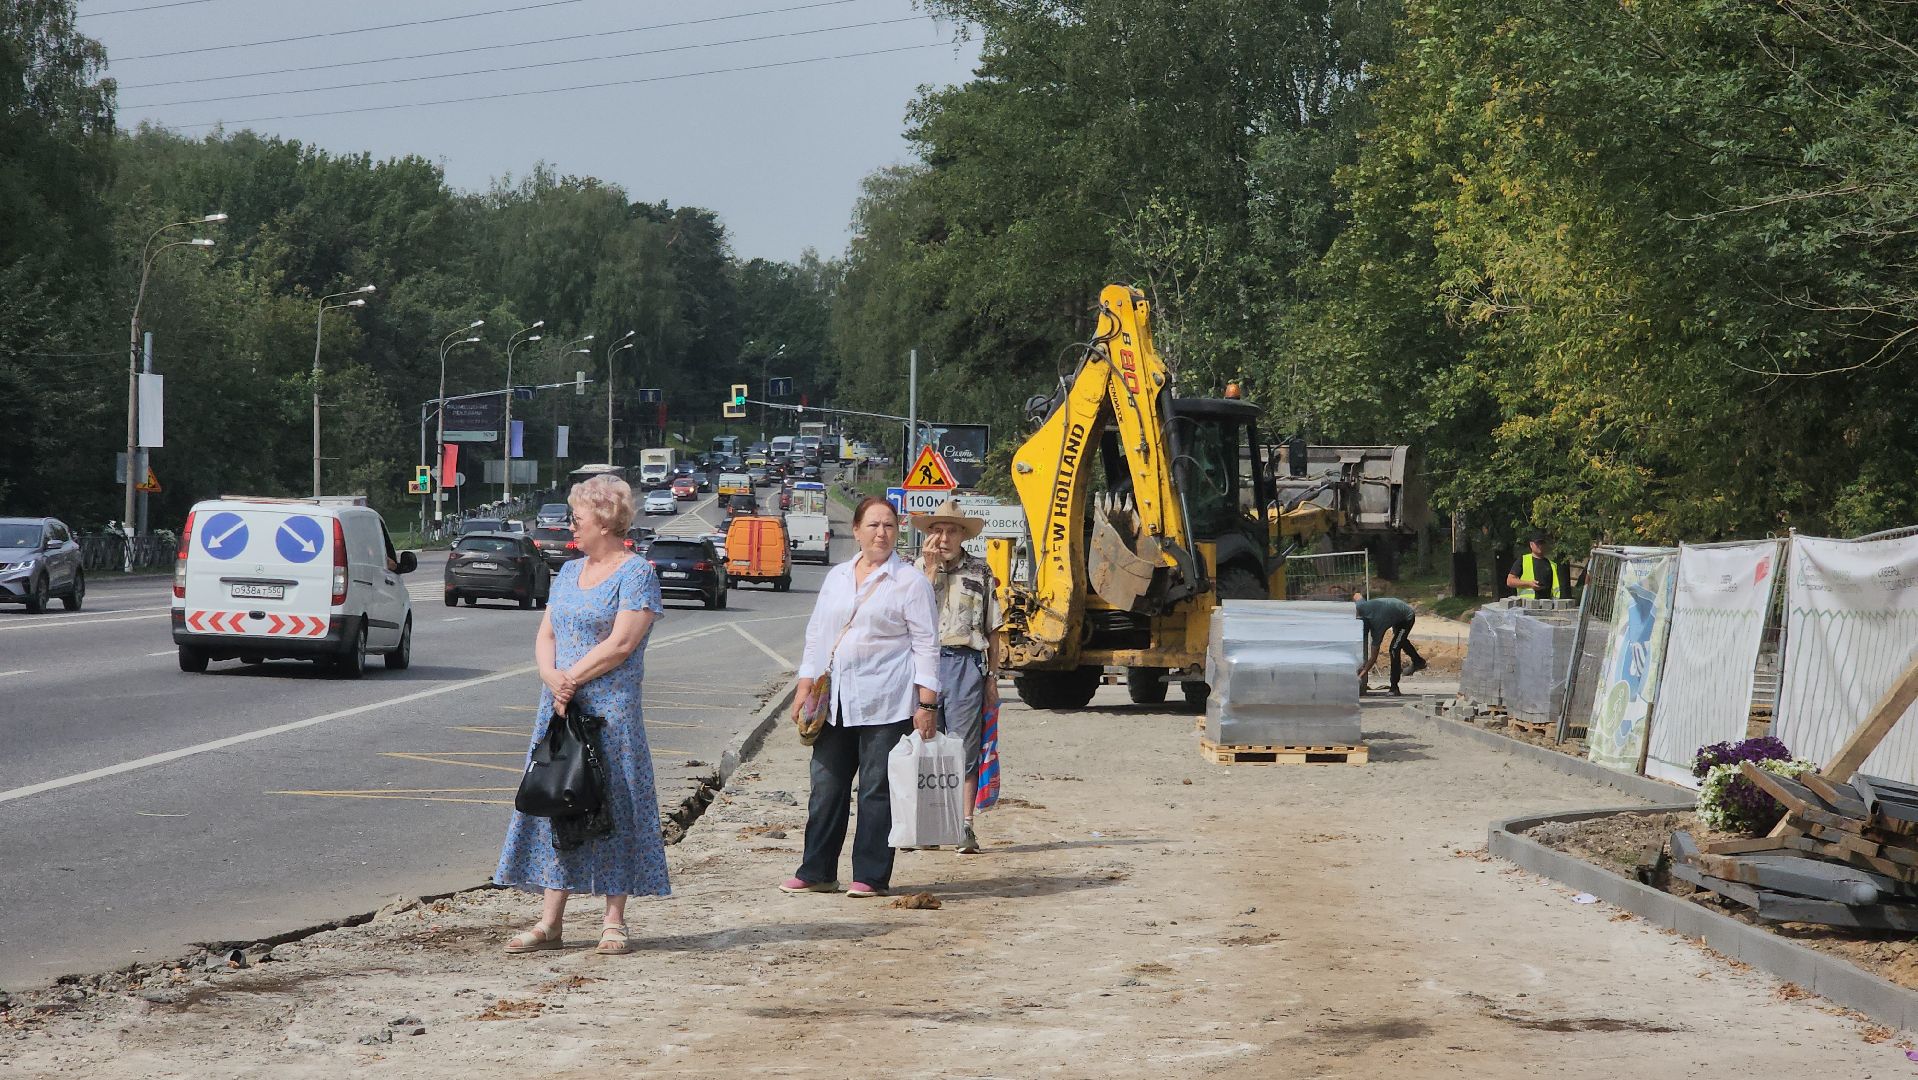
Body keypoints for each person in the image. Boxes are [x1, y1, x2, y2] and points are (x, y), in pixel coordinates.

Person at [495, 473, 668, 956]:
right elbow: (546, 631)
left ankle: (614, 921)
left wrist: (570, 678)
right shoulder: (569, 572)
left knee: (612, 804)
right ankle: (550, 922)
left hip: (609, 710)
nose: (572, 526)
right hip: (560, 705)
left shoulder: (637, 573)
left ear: (605, 520)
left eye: (578, 517)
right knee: (558, 799)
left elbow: (621, 643)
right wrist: (550, 675)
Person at [782, 497, 940, 899]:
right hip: (834, 701)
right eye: (872, 525)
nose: (881, 533)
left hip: (885, 701)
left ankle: (870, 876)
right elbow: (817, 634)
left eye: (888, 526)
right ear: (856, 531)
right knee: (826, 786)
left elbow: (926, 645)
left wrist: (926, 704)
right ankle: (817, 870)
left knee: (876, 790)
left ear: (897, 532)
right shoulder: (836, 576)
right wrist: (804, 687)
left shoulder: (909, 582)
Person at [910, 498, 999, 855]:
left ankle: (964, 826)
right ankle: (930, 826)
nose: (944, 537)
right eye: (937, 530)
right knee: (927, 744)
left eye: (951, 530)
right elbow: (910, 619)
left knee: (963, 745)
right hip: (924, 664)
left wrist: (992, 676)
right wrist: (929, 573)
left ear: (963, 535)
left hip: (965, 662)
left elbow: (993, 628)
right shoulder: (914, 570)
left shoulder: (981, 571)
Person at [1354, 592, 1425, 695]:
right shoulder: (1361, 607)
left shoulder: (1378, 627)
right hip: (1395, 614)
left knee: (1394, 649)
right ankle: (1418, 661)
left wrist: (1360, 675)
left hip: (1406, 617)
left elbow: (1374, 657)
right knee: (1400, 641)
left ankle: (1394, 687)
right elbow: (1357, 595)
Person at [1507, 533, 1564, 600]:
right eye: (1537, 543)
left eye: (1542, 543)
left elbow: (1555, 588)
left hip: (1546, 605)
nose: (1540, 545)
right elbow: (1510, 581)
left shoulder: (1552, 565)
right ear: (1531, 544)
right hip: (1526, 605)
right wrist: (1529, 584)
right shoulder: (1523, 560)